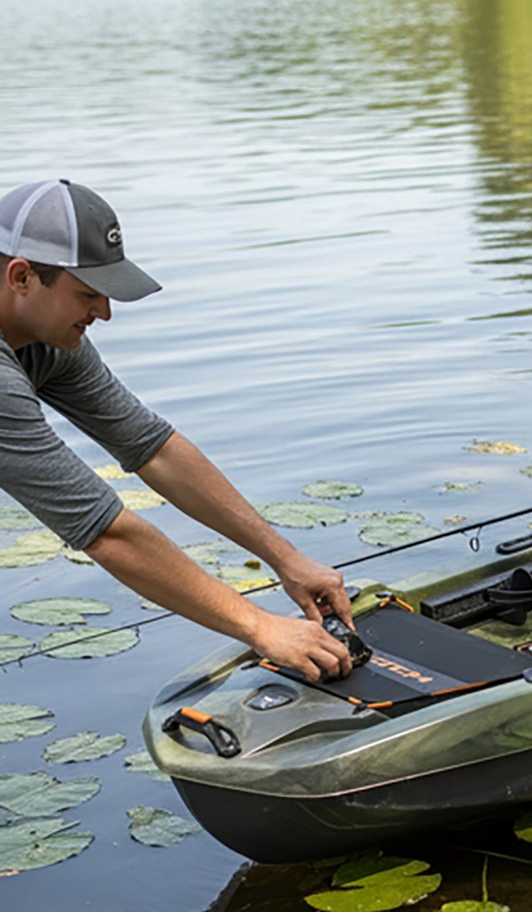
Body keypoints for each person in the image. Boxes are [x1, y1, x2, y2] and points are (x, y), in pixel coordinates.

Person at [0, 179, 353, 680]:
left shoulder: (50, 337)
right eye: (88, 295)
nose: (104, 313)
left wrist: (286, 558)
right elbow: (106, 534)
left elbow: (152, 447)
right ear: (21, 277)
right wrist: (259, 626)